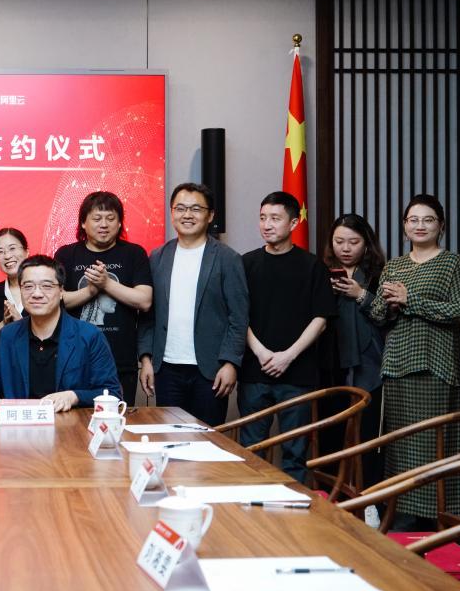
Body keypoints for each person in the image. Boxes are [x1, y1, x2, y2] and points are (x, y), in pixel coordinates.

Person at [370, 194, 460, 524]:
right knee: (399, 446)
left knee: (434, 444)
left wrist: (410, 299)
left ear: (441, 225)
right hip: (397, 365)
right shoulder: (394, 265)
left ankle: (439, 518)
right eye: (413, 220)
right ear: (404, 226)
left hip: (435, 366)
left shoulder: (452, 263)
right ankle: (400, 517)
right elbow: (378, 315)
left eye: (428, 220)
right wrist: (389, 304)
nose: (420, 225)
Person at [239, 191, 336, 483]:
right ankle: (251, 506)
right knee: (251, 451)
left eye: (275, 218)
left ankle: (294, 508)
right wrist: (260, 352)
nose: (267, 225)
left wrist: (288, 356)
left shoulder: (312, 265)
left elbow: (321, 319)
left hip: (297, 374)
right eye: (262, 218)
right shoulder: (246, 263)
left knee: (295, 453)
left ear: (293, 223)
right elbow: (237, 315)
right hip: (254, 371)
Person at [0, 255, 121, 411]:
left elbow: (112, 393)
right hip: (21, 431)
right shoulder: (9, 335)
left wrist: (74, 396)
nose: (37, 294)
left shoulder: (89, 335)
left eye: (46, 286)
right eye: (28, 286)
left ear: (61, 291)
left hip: (70, 431)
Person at [137, 183, 248, 426]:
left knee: (207, 438)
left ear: (210, 215)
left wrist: (231, 363)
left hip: (210, 371)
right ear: (172, 213)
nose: (187, 215)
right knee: (169, 437)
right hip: (166, 369)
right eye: (180, 208)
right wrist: (145, 359)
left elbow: (238, 317)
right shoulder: (157, 257)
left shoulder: (228, 259)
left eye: (196, 209)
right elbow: (148, 315)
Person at [54, 191, 152, 405]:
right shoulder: (66, 254)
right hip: (73, 357)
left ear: (120, 223)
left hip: (121, 359)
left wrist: (107, 284)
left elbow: (144, 301)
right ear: (83, 223)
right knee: (69, 418)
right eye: (97, 218)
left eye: (111, 218)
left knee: (116, 418)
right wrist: (90, 291)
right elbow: (56, 301)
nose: (104, 224)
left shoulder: (134, 253)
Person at [323, 213, 386, 486]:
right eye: (339, 242)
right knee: (331, 432)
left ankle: (369, 496)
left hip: (369, 361)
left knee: (369, 434)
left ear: (366, 243)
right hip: (331, 362)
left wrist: (360, 294)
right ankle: (330, 492)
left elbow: (389, 317)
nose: (346, 249)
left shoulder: (380, 274)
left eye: (353, 242)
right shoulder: (321, 272)